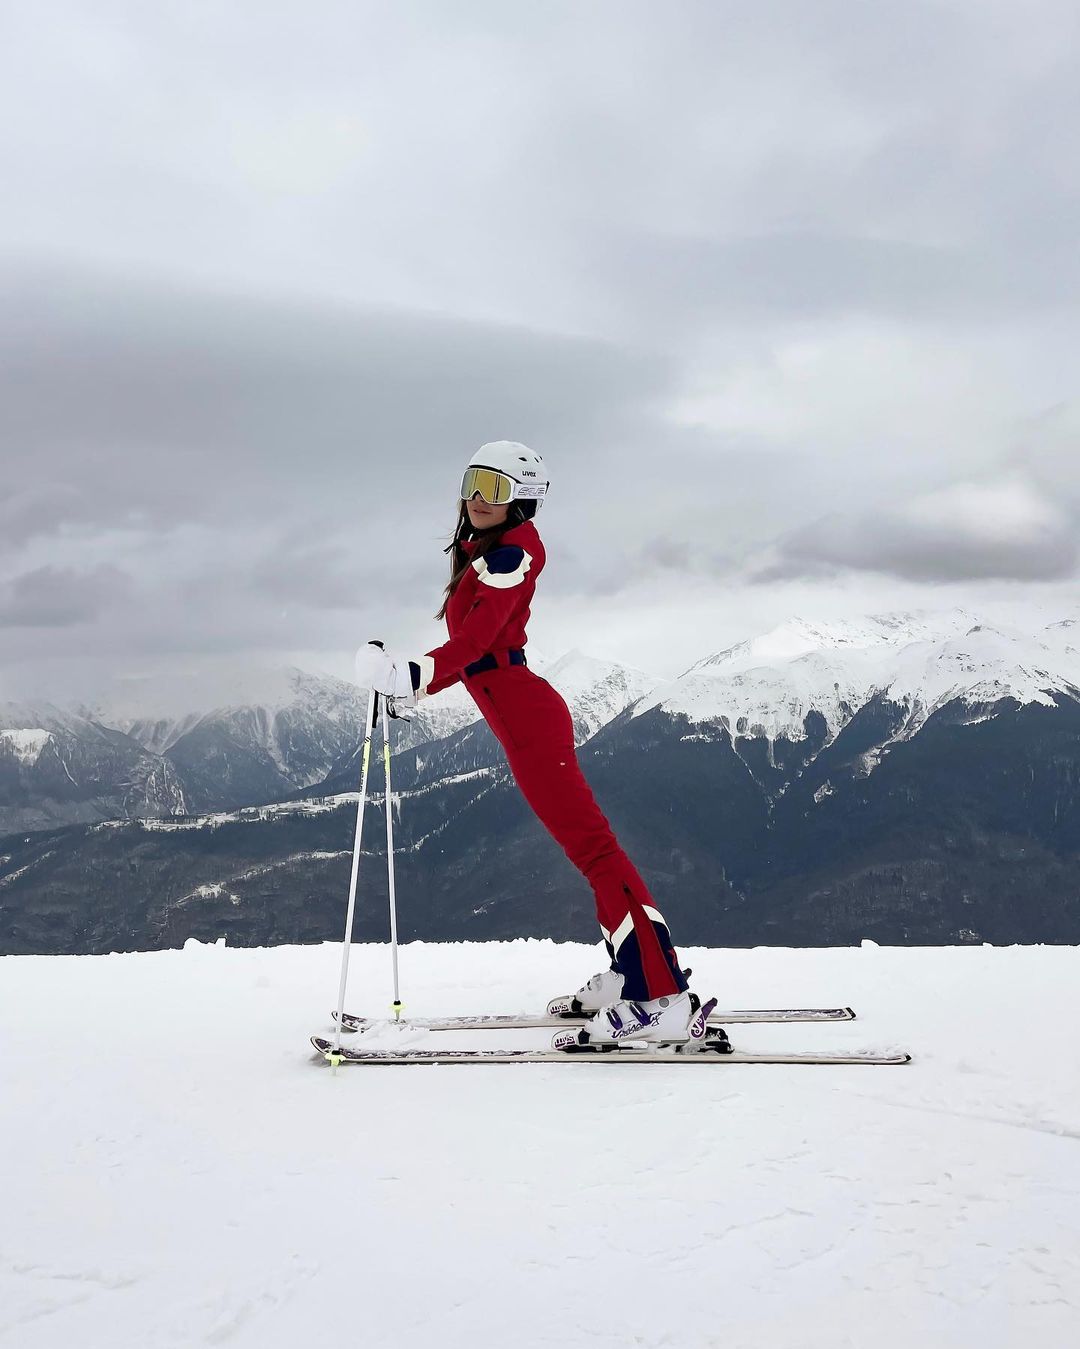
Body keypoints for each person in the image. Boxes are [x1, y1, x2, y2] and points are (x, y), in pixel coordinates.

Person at [357, 441, 696, 1046]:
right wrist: (414, 677)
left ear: (522, 497)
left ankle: (660, 995)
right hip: (518, 719)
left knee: (596, 851)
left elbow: (481, 638)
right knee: (590, 853)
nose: (478, 498)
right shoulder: (486, 552)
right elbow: (476, 640)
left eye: (494, 486)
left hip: (531, 721)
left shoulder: (512, 555)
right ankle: (634, 975)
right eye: (472, 482)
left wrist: (416, 677)